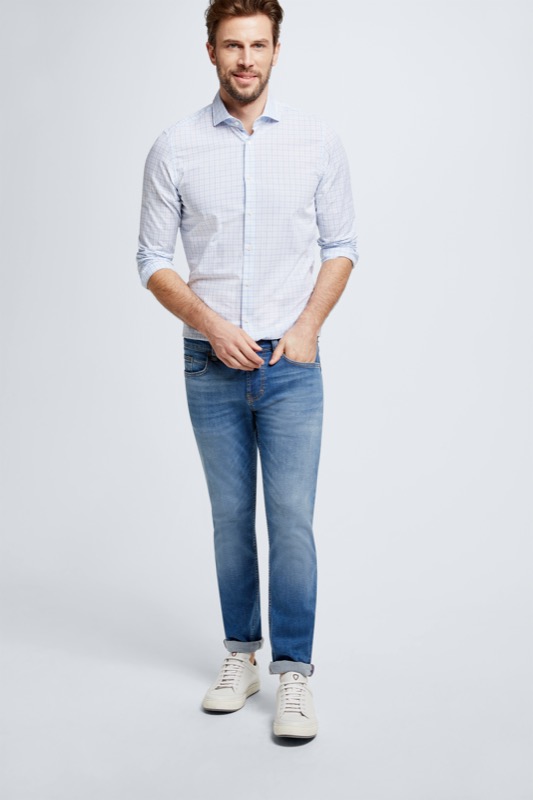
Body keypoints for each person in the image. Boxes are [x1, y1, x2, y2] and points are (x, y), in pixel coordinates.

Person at [136, 0, 358, 739]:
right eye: (232, 45)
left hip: (292, 363)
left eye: (258, 45)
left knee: (290, 520)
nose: (245, 59)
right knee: (230, 519)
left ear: (275, 50)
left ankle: (294, 674)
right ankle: (241, 656)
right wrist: (209, 324)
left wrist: (306, 328)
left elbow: (342, 245)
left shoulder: (316, 140)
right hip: (210, 363)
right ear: (211, 51)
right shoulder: (175, 147)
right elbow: (152, 259)